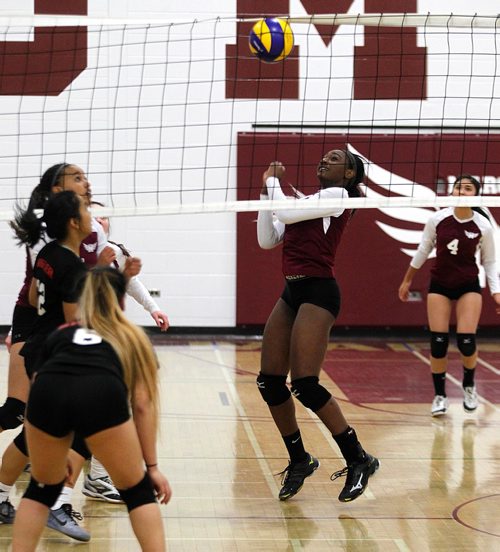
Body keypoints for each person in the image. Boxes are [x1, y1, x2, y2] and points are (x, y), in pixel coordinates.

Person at [11, 266, 172, 552]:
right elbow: (143, 404)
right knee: (137, 491)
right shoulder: (132, 337)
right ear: (120, 301)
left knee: (41, 488)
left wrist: (58, 450)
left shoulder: (61, 333)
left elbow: (43, 385)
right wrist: (153, 468)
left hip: (46, 393)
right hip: (100, 392)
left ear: (83, 299)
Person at [256, 149, 379, 503]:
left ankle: (359, 458)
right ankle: (300, 459)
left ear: (349, 175)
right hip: (292, 290)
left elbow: (283, 210)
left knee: (306, 385)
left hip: (319, 292)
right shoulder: (308, 200)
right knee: (270, 381)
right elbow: (268, 238)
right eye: (324, 156)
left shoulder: (340, 197)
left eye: (336, 158)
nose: (325, 159)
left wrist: (273, 184)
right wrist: (267, 192)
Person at [398, 174, 500, 416]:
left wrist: (496, 292)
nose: (460, 192)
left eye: (467, 189)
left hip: (468, 285)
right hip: (440, 284)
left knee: (466, 342)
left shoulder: (483, 225)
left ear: (475, 195)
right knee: (439, 342)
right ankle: (440, 395)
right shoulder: (439, 218)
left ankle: (469, 386)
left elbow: (490, 262)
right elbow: (423, 249)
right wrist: (407, 279)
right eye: (457, 188)